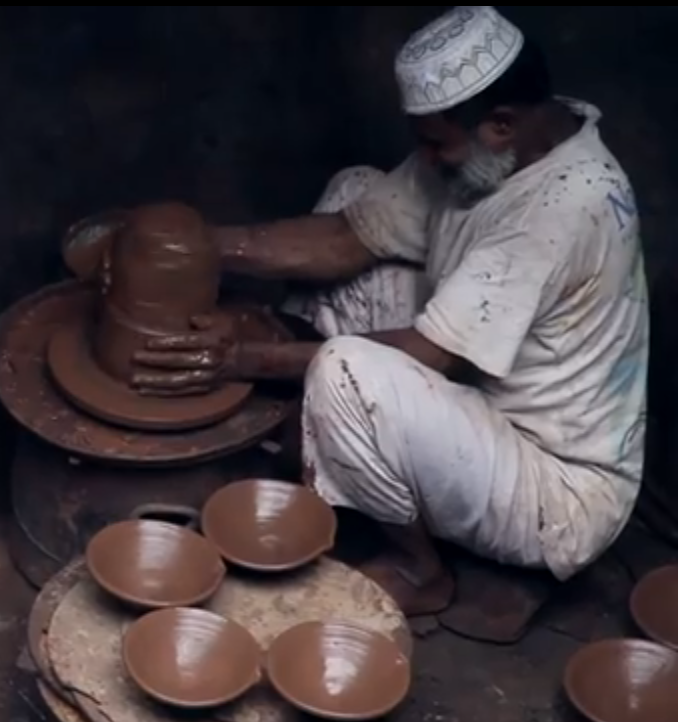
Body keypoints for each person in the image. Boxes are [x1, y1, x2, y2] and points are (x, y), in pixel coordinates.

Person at [129, 6, 649, 619]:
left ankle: (418, 569)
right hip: (484, 393)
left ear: (501, 125)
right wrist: (193, 245)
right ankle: (321, 438)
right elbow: (350, 237)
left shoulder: (562, 208)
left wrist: (245, 358)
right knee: (357, 188)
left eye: (435, 143)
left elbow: (435, 354)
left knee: (345, 370)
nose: (423, 158)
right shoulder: (521, 137)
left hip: (552, 485)